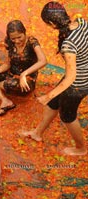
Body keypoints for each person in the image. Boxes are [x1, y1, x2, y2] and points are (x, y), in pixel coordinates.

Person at [20, 2, 88, 156]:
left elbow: (71, 77)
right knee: (54, 103)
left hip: (79, 83)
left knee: (68, 116)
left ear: (51, 23)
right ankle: (37, 133)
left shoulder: (69, 45)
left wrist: (47, 95)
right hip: (81, 70)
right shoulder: (82, 22)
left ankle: (81, 148)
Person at [0, 20, 47, 116]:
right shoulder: (9, 41)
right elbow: (8, 63)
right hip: (10, 73)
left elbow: (43, 61)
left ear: (24, 32)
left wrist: (24, 74)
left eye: (19, 37)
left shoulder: (32, 42)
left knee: (12, 84)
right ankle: (4, 100)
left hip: (26, 79)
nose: (17, 41)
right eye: (13, 39)